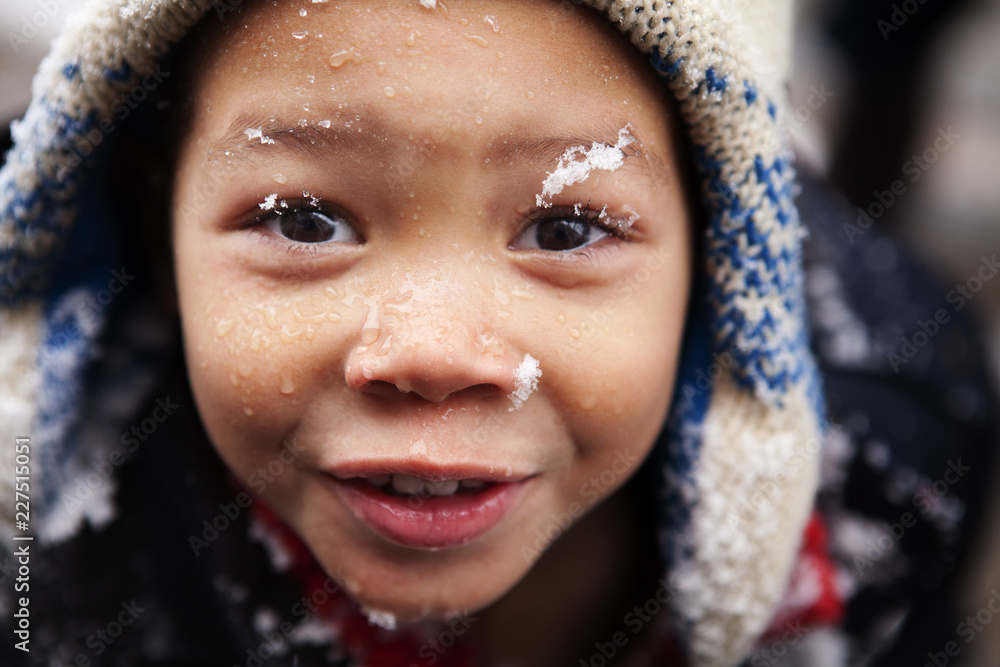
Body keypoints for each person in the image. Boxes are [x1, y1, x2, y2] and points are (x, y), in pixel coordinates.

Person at [0, 1, 994, 666]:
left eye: (565, 229)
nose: (430, 351)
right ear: (149, 226)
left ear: (724, 261)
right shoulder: (51, 567)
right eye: (305, 220)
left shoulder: (895, 459)